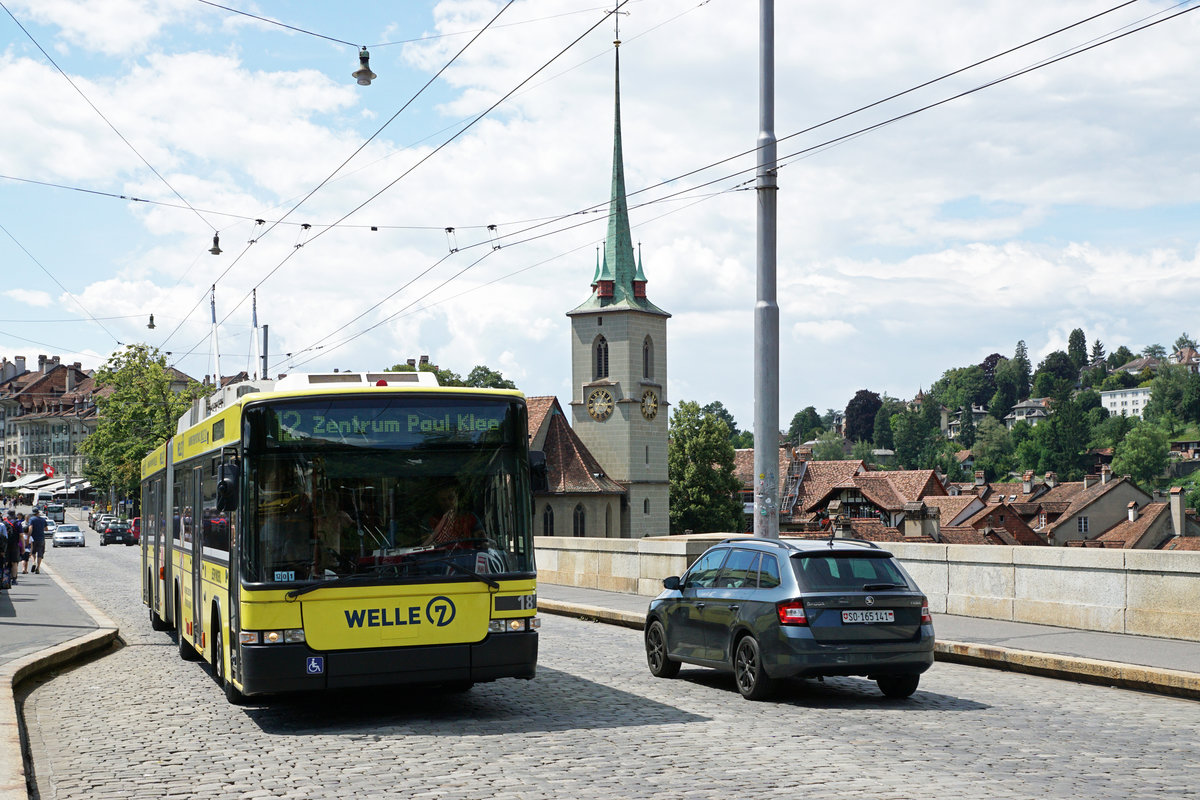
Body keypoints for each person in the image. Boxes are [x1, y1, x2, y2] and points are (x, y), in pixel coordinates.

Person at [421, 482, 484, 547]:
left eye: (451, 498)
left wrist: (484, 544)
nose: (447, 503)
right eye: (443, 500)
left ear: (457, 496)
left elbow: (484, 543)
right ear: (438, 501)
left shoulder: (470, 518)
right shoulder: (431, 521)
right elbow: (427, 546)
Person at [27, 508, 47, 574]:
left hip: (33, 538)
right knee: (40, 553)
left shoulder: (32, 519)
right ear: (38, 513)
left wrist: (28, 536)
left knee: (33, 552)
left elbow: (30, 528)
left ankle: (33, 562)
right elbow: (46, 529)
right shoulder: (43, 520)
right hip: (41, 538)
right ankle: (38, 568)